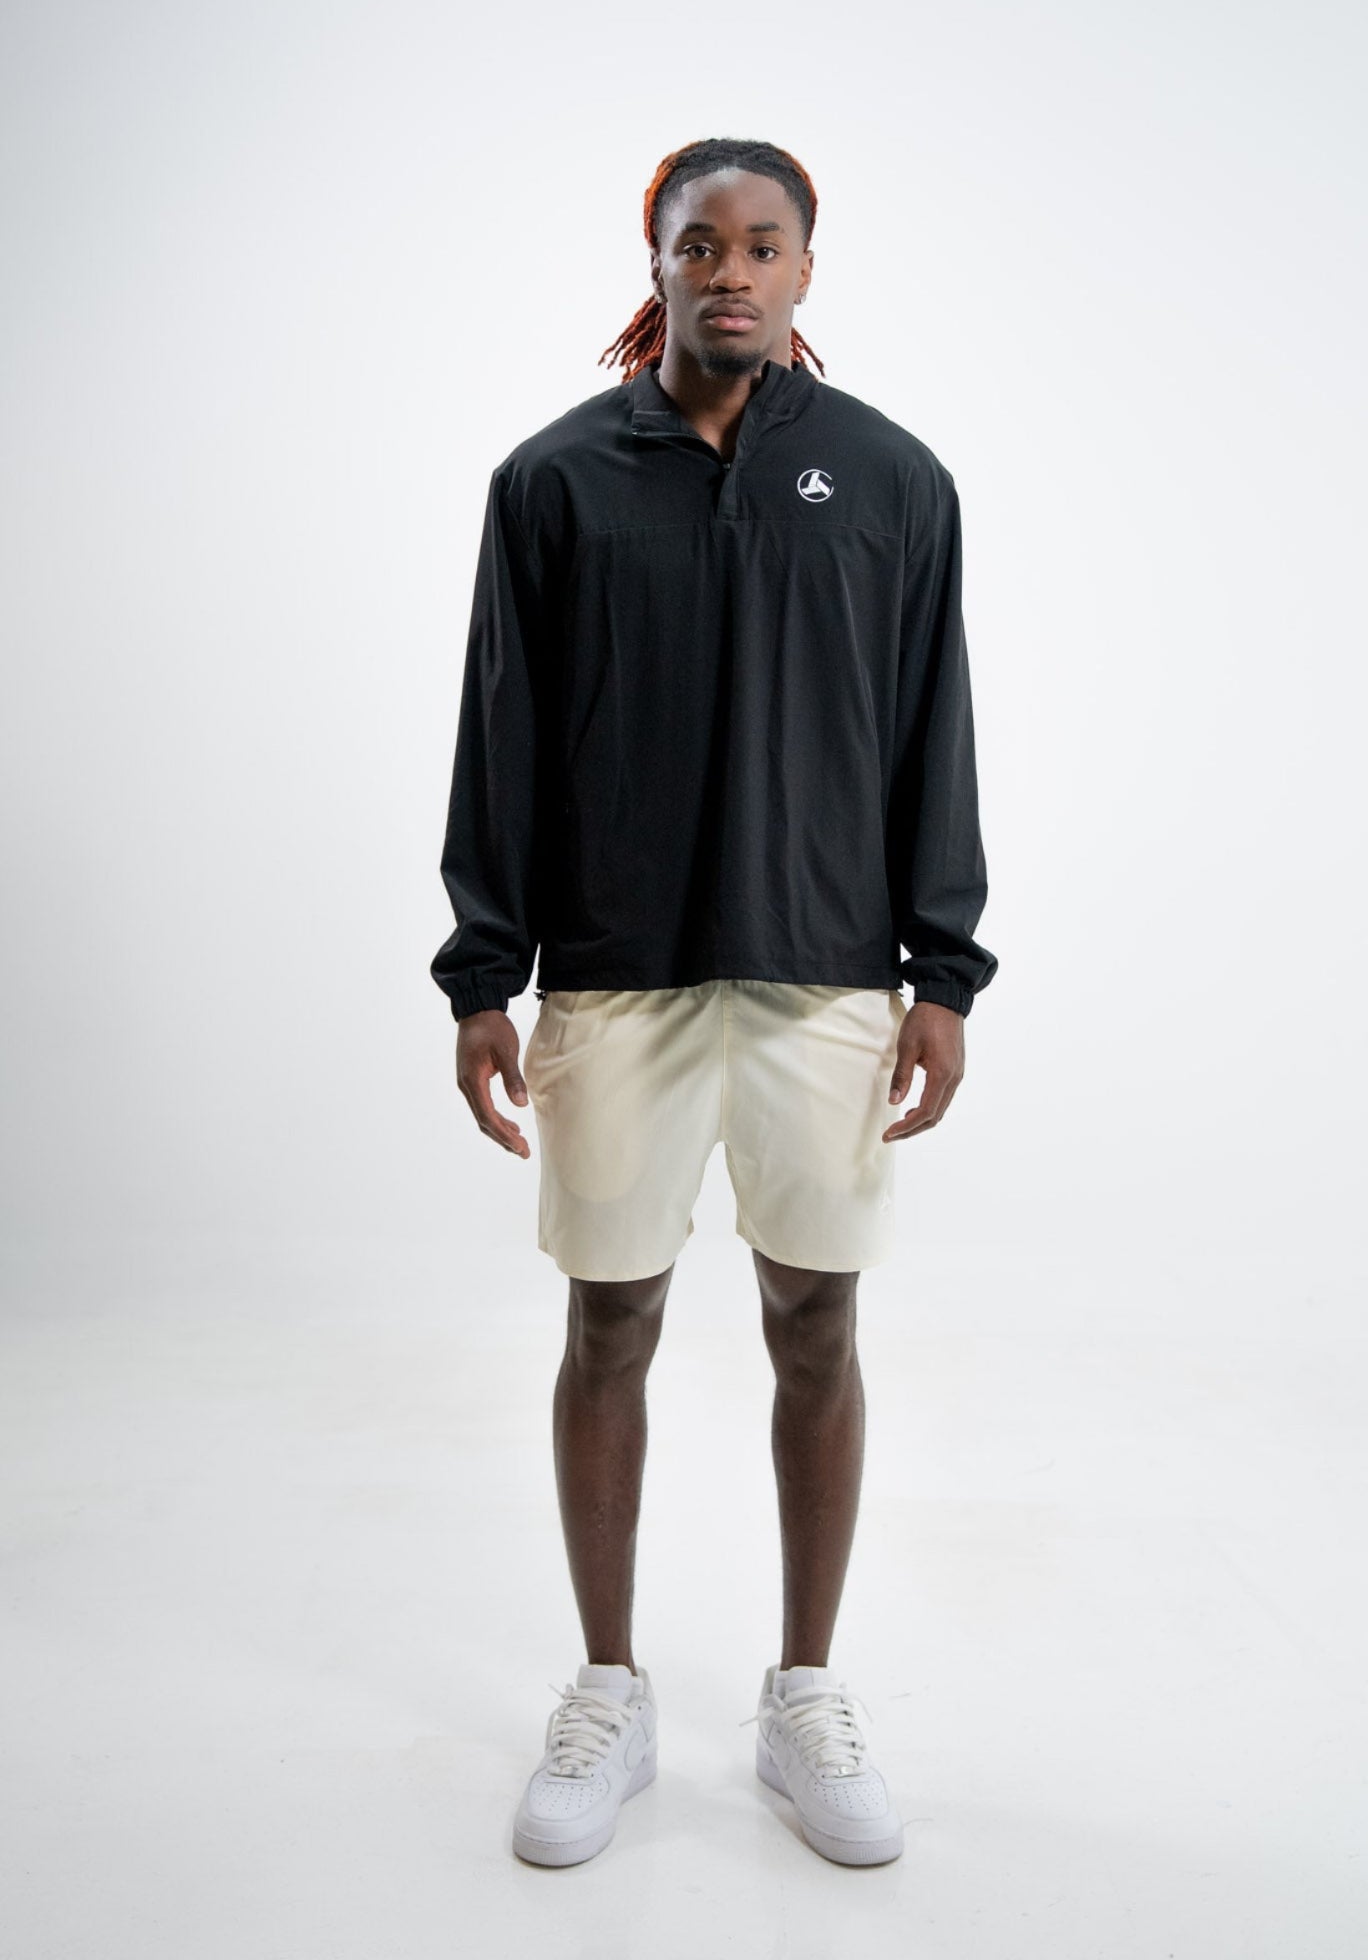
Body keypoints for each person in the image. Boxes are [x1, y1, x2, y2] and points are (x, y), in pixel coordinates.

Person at [430, 136, 998, 1868]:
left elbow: (934, 731)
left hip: (828, 972)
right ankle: (609, 1691)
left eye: (762, 245)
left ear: (807, 269)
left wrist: (943, 971)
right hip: (616, 973)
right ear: (658, 262)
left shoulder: (892, 481)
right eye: (701, 244)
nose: (730, 270)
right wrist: (483, 974)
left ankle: (803, 1693)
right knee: (610, 1323)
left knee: (817, 1321)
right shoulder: (555, 482)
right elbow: (501, 735)